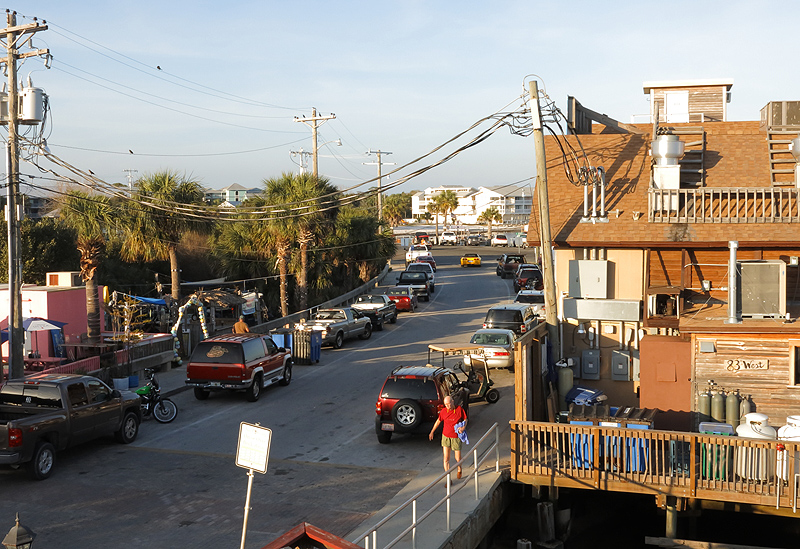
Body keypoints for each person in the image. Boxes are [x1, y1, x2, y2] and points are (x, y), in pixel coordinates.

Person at [429, 395, 467, 479]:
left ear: (452, 401)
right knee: (446, 458)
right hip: (446, 437)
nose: (448, 406)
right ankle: (448, 478)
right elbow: (438, 421)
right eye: (446, 405)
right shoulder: (443, 411)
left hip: (456, 437)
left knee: (457, 458)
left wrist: (463, 427)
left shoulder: (459, 410)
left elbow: (465, 419)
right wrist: (432, 431)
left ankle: (459, 468)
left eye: (449, 404)